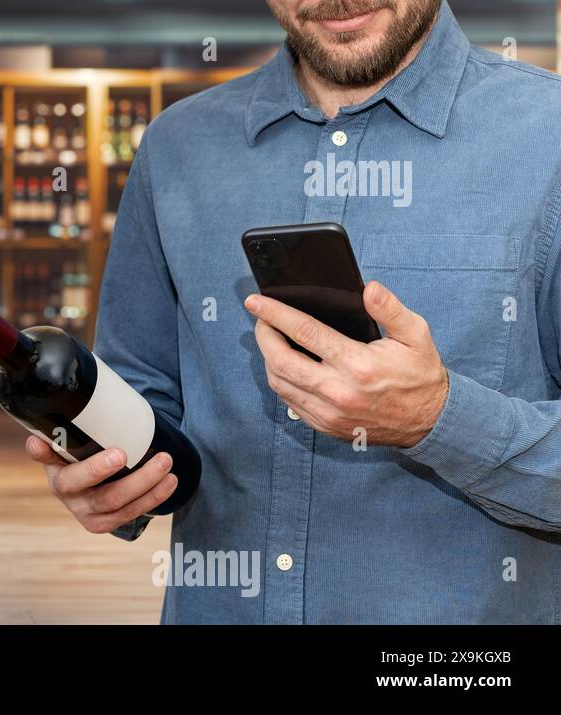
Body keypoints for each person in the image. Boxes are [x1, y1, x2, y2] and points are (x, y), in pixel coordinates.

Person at [28, 0, 561, 623]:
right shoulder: (177, 147)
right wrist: (111, 478)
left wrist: (435, 418)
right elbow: (146, 392)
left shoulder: (547, 138)